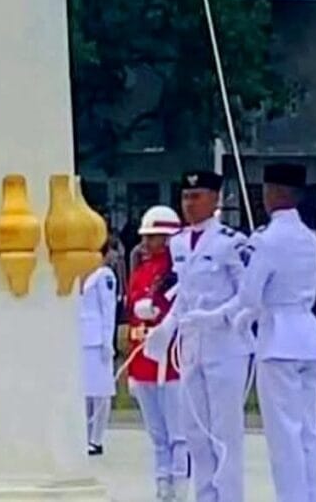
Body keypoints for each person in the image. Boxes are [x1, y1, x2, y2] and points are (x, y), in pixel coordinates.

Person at [148, 170, 251, 502]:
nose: (189, 204)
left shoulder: (231, 242)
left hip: (226, 345)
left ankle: (230, 496)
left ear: (215, 199)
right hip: (192, 346)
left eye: (197, 197)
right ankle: (205, 496)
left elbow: (248, 294)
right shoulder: (178, 243)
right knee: (195, 432)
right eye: (185, 197)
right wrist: (168, 325)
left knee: (225, 432)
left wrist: (217, 316)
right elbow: (185, 292)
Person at [232, 164, 316, 502]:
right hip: (308, 335)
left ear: (274, 193)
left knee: (283, 434)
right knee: (309, 430)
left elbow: (249, 296)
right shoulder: (310, 237)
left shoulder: (266, 240)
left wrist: (247, 259)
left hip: (278, 338)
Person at [126, 206, 188, 502]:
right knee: (157, 434)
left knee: (178, 433)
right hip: (143, 360)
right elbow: (134, 316)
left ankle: (179, 486)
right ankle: (163, 485)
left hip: (171, 362)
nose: (147, 243)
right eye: (146, 237)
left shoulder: (179, 271)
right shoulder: (141, 271)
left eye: (154, 237)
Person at [80, 240, 118, 458]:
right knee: (85, 393)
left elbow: (108, 309)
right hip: (82, 339)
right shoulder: (79, 274)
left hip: (97, 340)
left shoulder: (104, 276)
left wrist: (107, 341)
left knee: (101, 393)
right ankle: (84, 436)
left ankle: (96, 438)